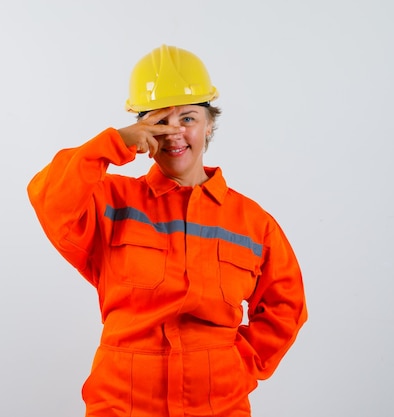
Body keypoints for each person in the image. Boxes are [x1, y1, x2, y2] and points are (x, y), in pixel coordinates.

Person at [27, 44, 307, 417]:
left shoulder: (253, 222)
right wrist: (114, 143)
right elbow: (49, 195)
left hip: (217, 405)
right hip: (123, 404)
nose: (175, 132)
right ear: (143, 128)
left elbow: (286, 306)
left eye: (188, 118)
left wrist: (239, 365)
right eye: (161, 121)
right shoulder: (112, 202)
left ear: (210, 124)